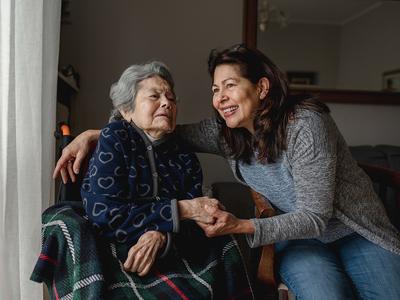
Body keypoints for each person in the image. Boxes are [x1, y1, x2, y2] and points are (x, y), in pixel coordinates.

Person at [54, 45, 400, 299]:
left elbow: (315, 216)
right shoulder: (224, 133)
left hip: (355, 232)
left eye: (230, 85)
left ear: (261, 89)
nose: (219, 98)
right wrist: (95, 134)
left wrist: (238, 225)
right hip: (296, 240)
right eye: (215, 90)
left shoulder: (306, 124)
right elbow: (155, 129)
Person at [43, 61, 254, 299]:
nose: (167, 103)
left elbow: (196, 220)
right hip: (111, 246)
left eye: (171, 98)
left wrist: (161, 234)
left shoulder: (184, 154)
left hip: (167, 250)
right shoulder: (115, 138)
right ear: (126, 110)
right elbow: (106, 212)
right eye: (154, 96)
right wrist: (180, 209)